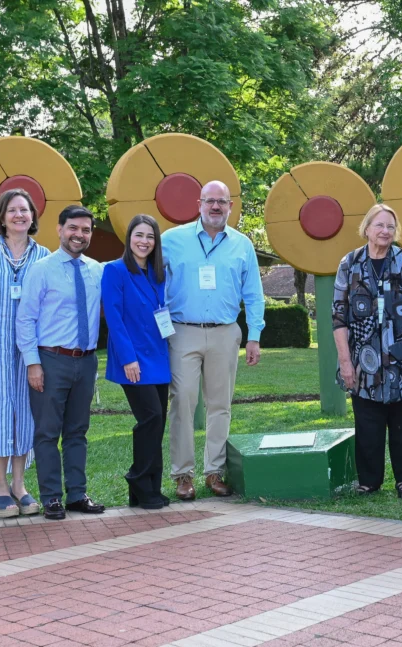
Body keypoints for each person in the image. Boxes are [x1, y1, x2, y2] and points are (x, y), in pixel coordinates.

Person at [162, 180, 265, 500]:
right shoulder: (171, 240)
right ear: (199, 204)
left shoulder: (242, 245)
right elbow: (152, 284)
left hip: (225, 332)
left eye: (222, 201)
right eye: (210, 201)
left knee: (220, 404)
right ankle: (183, 474)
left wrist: (254, 336)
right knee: (183, 401)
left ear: (231, 206)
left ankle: (214, 472)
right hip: (182, 331)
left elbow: (254, 293)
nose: (216, 206)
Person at [16, 205, 105, 520]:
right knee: (47, 432)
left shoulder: (97, 270)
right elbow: (25, 319)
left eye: (86, 230)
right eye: (73, 228)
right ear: (59, 229)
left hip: (86, 361)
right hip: (51, 360)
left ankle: (77, 495)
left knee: (78, 431)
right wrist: (33, 363)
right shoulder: (41, 269)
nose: (79, 235)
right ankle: (52, 497)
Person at [333, 204, 402, 497]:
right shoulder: (350, 263)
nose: (385, 231)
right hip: (363, 358)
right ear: (367, 228)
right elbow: (338, 316)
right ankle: (369, 481)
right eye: (379, 225)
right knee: (367, 422)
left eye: (390, 226)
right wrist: (345, 362)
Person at [0, 189, 49, 518]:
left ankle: (20, 485)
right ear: (2, 218)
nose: (19, 215)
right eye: (12, 210)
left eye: (25, 210)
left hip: (30, 349)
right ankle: (0, 486)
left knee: (25, 411)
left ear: (33, 216)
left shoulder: (44, 255)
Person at [102, 215, 172, 509]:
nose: (144, 241)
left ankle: (151, 487)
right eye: (139, 235)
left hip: (158, 355)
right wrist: (128, 359)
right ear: (128, 237)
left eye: (150, 236)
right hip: (133, 358)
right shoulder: (114, 270)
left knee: (158, 422)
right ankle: (139, 480)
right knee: (150, 417)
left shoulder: (158, 274)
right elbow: (114, 319)